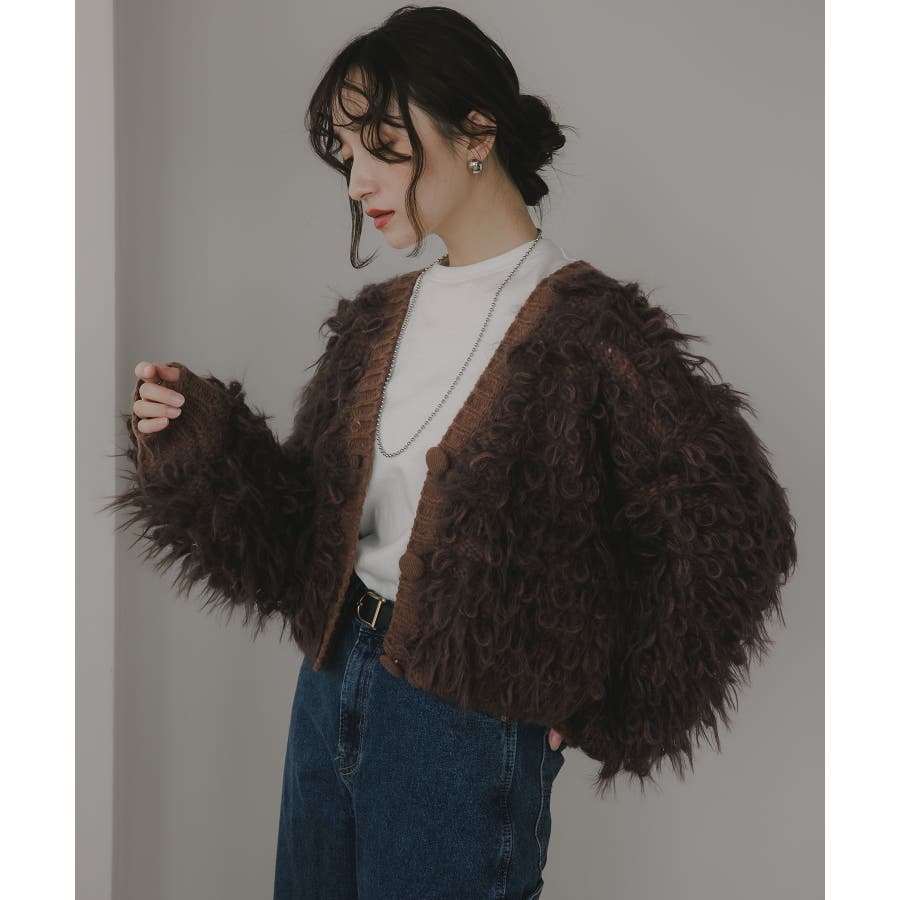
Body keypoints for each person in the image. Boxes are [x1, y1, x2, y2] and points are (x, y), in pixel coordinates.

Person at [102, 6, 798, 899]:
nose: (357, 179)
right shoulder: (373, 323)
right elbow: (300, 539)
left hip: (461, 729)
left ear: (476, 134)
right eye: (346, 152)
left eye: (383, 146)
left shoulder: (593, 331)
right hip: (328, 688)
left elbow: (735, 524)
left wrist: (611, 705)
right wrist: (199, 443)